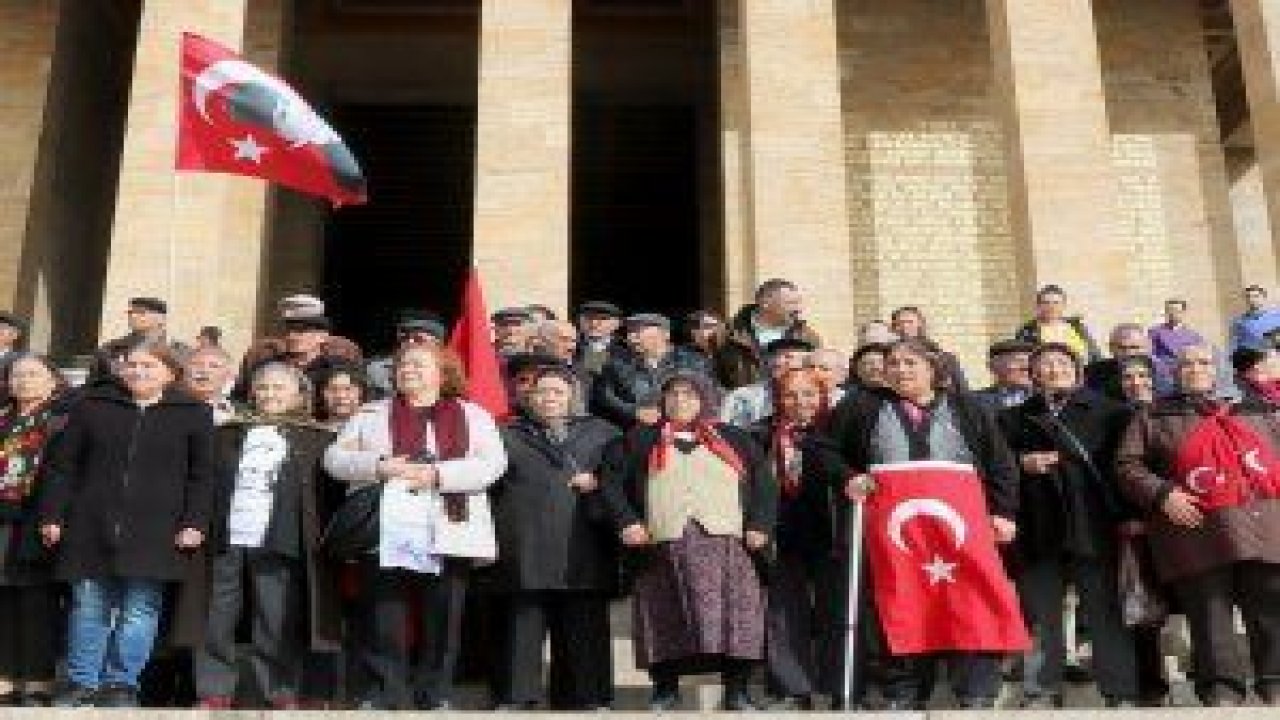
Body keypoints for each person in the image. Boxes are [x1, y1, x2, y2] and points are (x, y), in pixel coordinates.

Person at [835, 339, 1018, 710]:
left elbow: (1001, 464)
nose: (899, 370)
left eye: (909, 363)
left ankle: (976, 689)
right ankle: (903, 689)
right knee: (901, 601)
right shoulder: (864, 406)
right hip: (896, 534)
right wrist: (848, 475)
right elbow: (824, 449)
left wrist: (1004, 512)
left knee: (971, 599)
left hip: (962, 530)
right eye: (893, 363)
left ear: (934, 369)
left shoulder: (969, 408)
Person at [324, 344, 507, 710]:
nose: (407, 369)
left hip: (449, 527)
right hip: (386, 529)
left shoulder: (472, 416)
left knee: (444, 617)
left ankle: (435, 693)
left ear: (443, 372)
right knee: (383, 613)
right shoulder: (371, 414)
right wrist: (379, 465)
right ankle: (384, 691)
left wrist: (439, 474)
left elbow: (494, 464)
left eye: (418, 365)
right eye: (403, 364)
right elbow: (334, 459)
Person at [38, 341, 214, 708]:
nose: (137, 372)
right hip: (90, 523)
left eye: (148, 366)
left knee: (140, 609)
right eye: (131, 365)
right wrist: (53, 515)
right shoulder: (93, 406)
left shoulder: (193, 412)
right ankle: (81, 681)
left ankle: (121, 683)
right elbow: (63, 467)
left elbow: (202, 476)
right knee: (89, 606)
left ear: (170, 372)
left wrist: (194, 522)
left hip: (157, 529)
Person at [601, 371, 776, 711]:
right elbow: (612, 485)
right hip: (663, 546)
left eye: (690, 395)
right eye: (673, 395)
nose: (681, 402)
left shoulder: (734, 439)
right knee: (662, 617)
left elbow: (765, 486)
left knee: (737, 622)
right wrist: (629, 522)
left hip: (729, 546)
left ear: (706, 399)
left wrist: (760, 525)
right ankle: (665, 690)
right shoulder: (640, 439)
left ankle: (736, 692)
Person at [1117, 343, 1280, 707]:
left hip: (1265, 527)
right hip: (1195, 532)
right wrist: (1163, 494)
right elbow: (1129, 466)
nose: (1195, 369)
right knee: (1210, 616)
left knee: (1271, 610)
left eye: (1204, 362)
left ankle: (1275, 684)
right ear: (1174, 372)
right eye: (1186, 363)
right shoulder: (1154, 415)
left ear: (1220, 368)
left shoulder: (1260, 410)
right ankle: (1222, 691)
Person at [191, 363, 340, 709]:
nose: (269, 395)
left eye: (279, 388)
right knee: (217, 615)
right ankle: (214, 690)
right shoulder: (226, 433)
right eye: (264, 388)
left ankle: (279, 690)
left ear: (299, 395)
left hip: (280, 535)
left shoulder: (316, 437)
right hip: (226, 535)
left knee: (276, 618)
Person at [998, 343, 1139, 708]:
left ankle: (1119, 692)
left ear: (1078, 371)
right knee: (1043, 617)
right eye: (1044, 364)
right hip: (1037, 530)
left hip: (1093, 527)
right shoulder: (1012, 418)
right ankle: (1041, 690)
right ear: (1031, 375)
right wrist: (1021, 463)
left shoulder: (1111, 413)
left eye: (1062, 363)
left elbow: (1125, 470)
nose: (1053, 369)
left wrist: (1128, 517)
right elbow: (995, 467)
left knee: (1104, 613)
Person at [490, 367, 620, 710]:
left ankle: (587, 698)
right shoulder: (505, 433)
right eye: (541, 392)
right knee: (522, 627)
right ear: (529, 397)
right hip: (523, 543)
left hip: (583, 544)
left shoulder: (603, 433)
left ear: (573, 396)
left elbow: (623, 480)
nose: (548, 398)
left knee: (584, 626)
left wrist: (599, 482)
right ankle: (517, 696)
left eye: (557, 392)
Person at [749, 368, 847, 710]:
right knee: (784, 614)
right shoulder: (762, 434)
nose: (800, 402)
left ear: (822, 396)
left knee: (836, 612)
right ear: (779, 399)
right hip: (780, 532)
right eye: (791, 395)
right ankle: (793, 689)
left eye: (809, 393)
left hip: (832, 533)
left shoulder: (838, 430)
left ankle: (840, 687)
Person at [0, 355, 67, 706]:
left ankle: (38, 680)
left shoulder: (61, 421)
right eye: (17, 375)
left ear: (52, 381)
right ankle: (6, 676)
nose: (24, 381)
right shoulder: (3, 419)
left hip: (40, 518)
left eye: (33, 374)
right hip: (3, 518)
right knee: (4, 596)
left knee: (36, 599)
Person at [592, 313, 712, 428]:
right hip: (638, 434)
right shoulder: (617, 364)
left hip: (686, 434)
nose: (631, 336)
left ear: (665, 334)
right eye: (629, 331)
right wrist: (634, 411)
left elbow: (710, 397)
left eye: (639, 331)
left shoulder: (695, 362)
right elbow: (605, 396)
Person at [720, 279, 822, 389]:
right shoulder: (728, 334)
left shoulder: (808, 338)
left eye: (798, 303)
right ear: (765, 303)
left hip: (789, 403)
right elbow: (709, 375)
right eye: (790, 303)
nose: (798, 309)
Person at [721, 338, 813, 428]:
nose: (778, 361)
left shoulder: (817, 396)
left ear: (806, 362)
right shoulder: (741, 397)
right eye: (774, 356)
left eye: (788, 357)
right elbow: (723, 432)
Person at [92, 297, 184, 380]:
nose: (133, 316)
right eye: (130, 313)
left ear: (161, 318)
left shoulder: (178, 350)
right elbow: (95, 382)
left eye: (141, 312)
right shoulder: (110, 349)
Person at [366, 311, 446, 397]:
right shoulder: (377, 369)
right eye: (404, 338)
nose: (409, 342)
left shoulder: (449, 368)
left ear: (437, 343)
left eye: (418, 339)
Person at [1015, 285, 1102, 363]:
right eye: (1046, 303)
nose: (1051, 307)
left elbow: (1095, 354)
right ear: (1038, 306)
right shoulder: (1028, 332)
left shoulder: (1077, 328)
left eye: (1056, 303)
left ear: (1063, 305)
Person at [889, 306, 969, 390]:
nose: (904, 327)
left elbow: (961, 388)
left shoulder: (943, 357)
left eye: (909, 322)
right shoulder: (886, 356)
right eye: (899, 324)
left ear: (920, 325)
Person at [1085, 323, 1158, 401]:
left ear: (1147, 347)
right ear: (1111, 348)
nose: (1129, 353)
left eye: (1135, 347)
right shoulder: (1092, 374)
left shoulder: (1161, 373)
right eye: (1122, 348)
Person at [973, 339, 1034, 411]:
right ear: (993, 366)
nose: (1026, 367)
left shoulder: (1045, 400)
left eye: (1031, 361)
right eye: (1018, 361)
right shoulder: (973, 401)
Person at [1149, 300, 1204, 379]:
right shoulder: (1155, 332)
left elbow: (1199, 356)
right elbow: (1151, 354)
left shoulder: (1194, 336)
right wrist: (1163, 368)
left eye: (1177, 311)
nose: (1173, 314)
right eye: (1170, 311)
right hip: (1165, 375)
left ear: (1183, 313)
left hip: (1187, 375)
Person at [184, 347, 239, 425]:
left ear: (229, 376)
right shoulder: (168, 407)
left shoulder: (239, 413)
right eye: (197, 364)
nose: (204, 370)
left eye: (214, 366)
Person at [314, 361, 373, 431]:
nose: (341, 395)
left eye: (348, 389)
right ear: (321, 393)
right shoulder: (311, 430)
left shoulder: (377, 425)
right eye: (333, 389)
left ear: (361, 392)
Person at [575, 301, 627, 376]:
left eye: (603, 319)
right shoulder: (569, 345)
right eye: (588, 318)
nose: (594, 324)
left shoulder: (627, 348)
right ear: (579, 321)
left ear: (617, 323)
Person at [1228, 285, 1280, 352]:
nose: (1252, 300)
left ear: (1264, 298)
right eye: (1249, 297)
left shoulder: (1277, 316)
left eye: (1256, 296)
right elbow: (1234, 345)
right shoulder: (1239, 322)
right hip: (1252, 357)